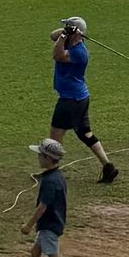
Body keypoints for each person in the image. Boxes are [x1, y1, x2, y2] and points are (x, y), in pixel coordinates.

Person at [48, 19, 119, 182]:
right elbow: (53, 36)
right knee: (85, 133)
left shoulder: (79, 52)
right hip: (80, 98)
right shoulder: (68, 41)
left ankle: (51, 172)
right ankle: (108, 166)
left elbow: (56, 55)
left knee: (55, 134)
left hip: (70, 100)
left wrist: (66, 36)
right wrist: (65, 32)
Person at [13, 138, 69, 257]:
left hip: (48, 225)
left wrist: (28, 225)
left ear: (47, 158)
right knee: (35, 252)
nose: (38, 158)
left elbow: (42, 207)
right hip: (52, 223)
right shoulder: (57, 176)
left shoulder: (50, 181)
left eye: (40, 155)